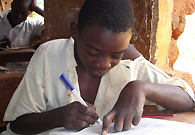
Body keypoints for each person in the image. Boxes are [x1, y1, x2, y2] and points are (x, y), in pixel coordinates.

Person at [2, 0, 195, 135]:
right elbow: (17, 124)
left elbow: (187, 99)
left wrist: (141, 87)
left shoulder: (130, 63)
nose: (103, 63)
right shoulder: (49, 55)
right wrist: (59, 116)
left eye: (116, 55)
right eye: (93, 53)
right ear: (75, 32)